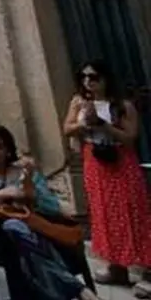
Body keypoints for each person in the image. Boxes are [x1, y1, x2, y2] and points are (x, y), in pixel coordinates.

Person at [0, 123, 99, 300]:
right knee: (13, 225)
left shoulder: (23, 173)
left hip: (38, 231)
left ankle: (72, 290)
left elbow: (52, 206)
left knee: (32, 256)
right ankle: (79, 290)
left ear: (8, 151)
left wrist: (31, 192)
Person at [62, 63, 151, 290]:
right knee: (104, 213)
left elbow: (130, 138)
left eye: (94, 77)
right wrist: (83, 123)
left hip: (120, 161)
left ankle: (146, 269)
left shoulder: (123, 105)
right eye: (84, 77)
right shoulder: (79, 102)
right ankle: (116, 267)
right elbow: (67, 128)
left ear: (106, 79)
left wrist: (103, 124)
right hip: (95, 162)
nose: (88, 82)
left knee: (133, 211)